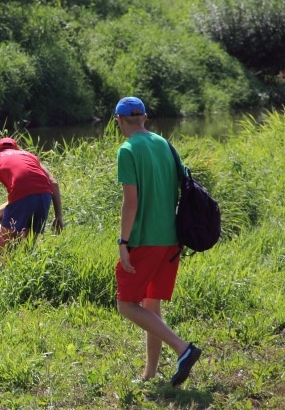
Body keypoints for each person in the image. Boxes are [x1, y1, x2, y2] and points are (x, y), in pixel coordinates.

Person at [113, 96, 201, 386]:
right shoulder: (163, 143)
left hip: (146, 239)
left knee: (126, 304)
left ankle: (182, 348)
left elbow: (130, 203)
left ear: (119, 121)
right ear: (145, 117)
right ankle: (150, 373)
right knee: (151, 304)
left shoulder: (127, 149)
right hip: (172, 239)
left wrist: (123, 241)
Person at [0, 137, 63, 247]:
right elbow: (53, 182)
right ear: (17, 149)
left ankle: (3, 263)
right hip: (45, 194)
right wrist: (58, 216)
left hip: (22, 195)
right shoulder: (30, 156)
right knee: (28, 247)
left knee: (3, 250)